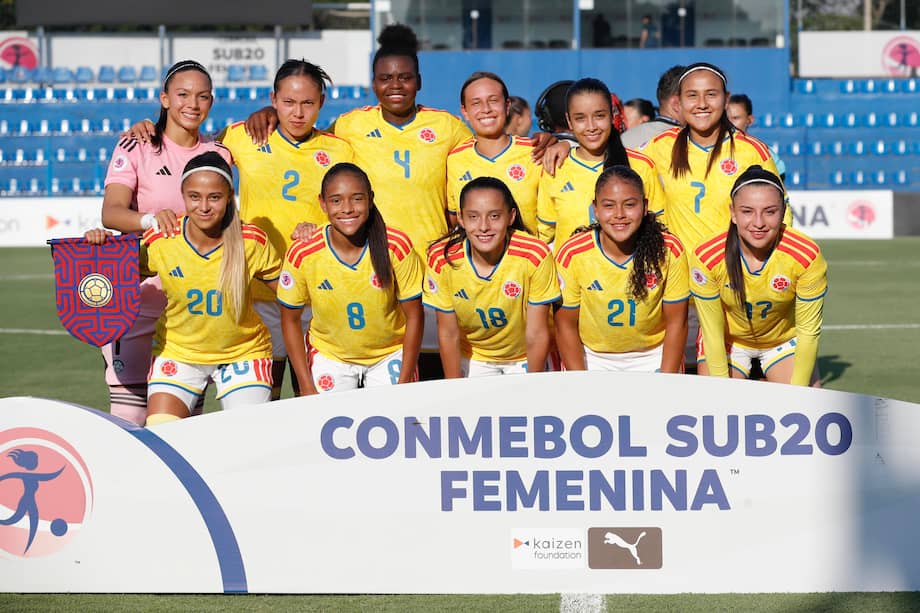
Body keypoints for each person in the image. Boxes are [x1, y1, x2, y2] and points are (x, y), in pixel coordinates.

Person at [128, 60, 353, 400]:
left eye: (308, 103)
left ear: (321, 102)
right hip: (259, 297)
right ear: (273, 99)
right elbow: (194, 152)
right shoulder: (242, 137)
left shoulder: (339, 149)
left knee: (316, 398)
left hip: (317, 293)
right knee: (270, 399)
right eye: (288, 102)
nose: (298, 112)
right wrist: (151, 128)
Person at [86, 152, 282, 424]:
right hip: (179, 354)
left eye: (214, 197)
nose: (203, 206)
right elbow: (110, 278)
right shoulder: (163, 237)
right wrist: (101, 246)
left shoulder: (252, 240)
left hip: (243, 354)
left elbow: (291, 294)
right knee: (163, 434)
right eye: (194, 196)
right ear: (182, 195)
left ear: (229, 197)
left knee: (247, 436)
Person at [98, 60, 232, 425]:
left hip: (191, 305)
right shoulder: (136, 145)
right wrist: (150, 221)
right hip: (138, 299)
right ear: (165, 99)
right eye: (183, 94)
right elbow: (111, 212)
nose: (193, 103)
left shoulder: (220, 154)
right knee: (129, 415)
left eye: (203, 96)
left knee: (186, 422)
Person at [277, 163, 424, 394]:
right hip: (330, 355)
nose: (347, 209)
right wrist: (305, 384)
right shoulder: (303, 252)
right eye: (336, 201)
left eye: (357, 199)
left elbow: (415, 315)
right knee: (326, 424)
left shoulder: (396, 245)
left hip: (388, 354)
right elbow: (290, 319)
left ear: (371, 199)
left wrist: (404, 382)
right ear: (323, 203)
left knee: (394, 423)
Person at [690, 165, 826, 385]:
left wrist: (800, 395)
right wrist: (719, 390)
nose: (759, 223)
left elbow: (808, 332)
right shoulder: (707, 257)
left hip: (781, 341)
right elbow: (712, 331)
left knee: (805, 405)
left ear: (783, 212)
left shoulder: (806, 256)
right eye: (747, 211)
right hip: (728, 342)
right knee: (717, 406)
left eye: (770, 211)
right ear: (733, 213)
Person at [641, 63, 790, 253]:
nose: (702, 103)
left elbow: (780, 208)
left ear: (726, 100)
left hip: (731, 272)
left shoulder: (752, 151)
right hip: (676, 274)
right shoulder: (658, 146)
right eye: (692, 95)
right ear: (678, 102)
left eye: (711, 94)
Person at [555, 165, 688, 372]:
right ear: (595, 209)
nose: (619, 214)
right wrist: (579, 380)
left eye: (629, 205)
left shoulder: (669, 249)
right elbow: (565, 325)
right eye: (609, 206)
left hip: (652, 354)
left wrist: (666, 380)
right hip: (593, 356)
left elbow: (677, 323)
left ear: (644, 207)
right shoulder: (572, 253)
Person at [425, 176, 559, 377]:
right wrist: (453, 387)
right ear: (460, 218)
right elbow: (448, 333)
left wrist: (534, 384)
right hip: (473, 356)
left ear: (510, 216)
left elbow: (536, 333)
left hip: (523, 356)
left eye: (494, 216)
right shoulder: (441, 257)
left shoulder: (534, 254)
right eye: (473, 217)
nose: (484, 226)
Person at [537, 78, 663, 250]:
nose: (591, 127)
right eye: (580, 118)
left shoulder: (641, 165)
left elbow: (660, 229)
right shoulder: (556, 167)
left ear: (612, 115)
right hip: (571, 276)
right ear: (569, 121)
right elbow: (544, 235)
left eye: (599, 116)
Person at [448, 72, 543, 234]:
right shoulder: (454, 160)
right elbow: (454, 221)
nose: (486, 109)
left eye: (493, 100)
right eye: (476, 103)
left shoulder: (536, 151)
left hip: (526, 257)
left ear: (507, 106)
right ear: (465, 112)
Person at [621, 65, 685, 149]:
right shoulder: (689, 142)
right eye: (693, 95)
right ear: (676, 103)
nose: (702, 104)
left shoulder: (624, 140)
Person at [727, 93, 787, 182]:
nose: (729, 123)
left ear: (750, 120)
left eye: (735, 118)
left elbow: (778, 176)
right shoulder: (712, 147)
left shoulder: (759, 149)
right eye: (725, 118)